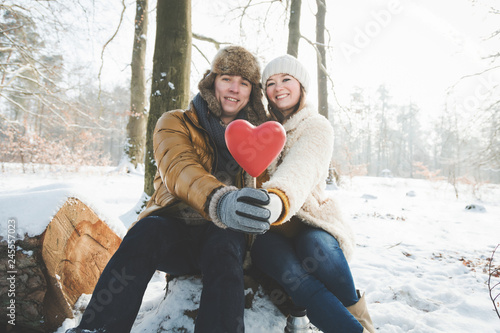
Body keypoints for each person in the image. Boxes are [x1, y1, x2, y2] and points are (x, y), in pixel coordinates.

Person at [67, 46, 273, 333]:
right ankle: (97, 328)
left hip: (225, 241)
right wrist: (220, 199)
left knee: (224, 242)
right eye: (227, 78)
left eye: (244, 82)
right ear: (212, 80)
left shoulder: (264, 136)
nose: (234, 89)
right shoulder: (175, 122)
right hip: (176, 231)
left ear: (252, 91)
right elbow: (180, 168)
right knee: (146, 231)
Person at [249, 54, 376, 333]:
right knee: (295, 276)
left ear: (301, 85)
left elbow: (300, 170)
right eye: (270, 82)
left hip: (309, 218)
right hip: (266, 228)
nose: (278, 87)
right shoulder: (257, 129)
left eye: (286, 79)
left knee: (318, 249)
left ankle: (362, 323)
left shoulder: (316, 126)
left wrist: (276, 198)